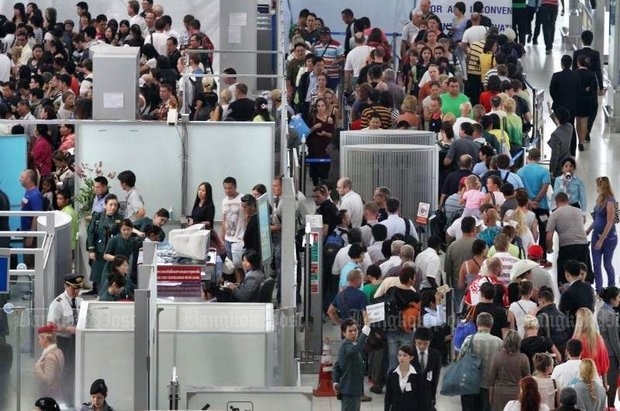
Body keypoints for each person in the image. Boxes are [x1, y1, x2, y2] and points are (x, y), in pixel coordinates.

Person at [47, 273, 85, 405]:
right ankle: (67, 398)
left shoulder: (81, 302)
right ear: (66, 286)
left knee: (78, 367)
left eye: (78, 288)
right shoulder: (57, 303)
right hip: (65, 342)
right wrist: (67, 329)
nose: (76, 291)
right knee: (66, 369)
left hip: (79, 341)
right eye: (74, 288)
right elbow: (50, 326)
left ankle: (78, 395)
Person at [459, 312, 503, 411]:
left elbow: (460, 360)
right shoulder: (499, 342)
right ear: (491, 325)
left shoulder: (469, 339)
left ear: (477, 324)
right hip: (489, 385)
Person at [546, 193, 591, 285]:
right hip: (583, 245)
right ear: (568, 200)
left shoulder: (555, 214)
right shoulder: (578, 211)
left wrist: (549, 249)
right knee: (583, 273)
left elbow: (549, 236)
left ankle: (566, 292)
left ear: (556, 202)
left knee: (566, 275)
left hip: (567, 247)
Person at [333, 312, 371, 410]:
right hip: (349, 391)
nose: (354, 333)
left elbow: (337, 366)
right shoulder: (346, 346)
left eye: (355, 330)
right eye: (350, 331)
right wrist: (366, 328)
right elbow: (356, 349)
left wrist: (335, 382)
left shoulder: (353, 344)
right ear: (344, 333)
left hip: (353, 390)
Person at [86, 194, 123, 294]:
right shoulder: (98, 216)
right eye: (111, 205)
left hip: (112, 251)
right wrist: (91, 249)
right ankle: (98, 292)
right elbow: (91, 232)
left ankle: (109, 293)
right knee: (98, 273)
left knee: (112, 274)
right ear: (105, 205)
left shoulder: (119, 218)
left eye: (115, 205)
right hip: (99, 249)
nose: (113, 207)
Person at [586, 176, 617, 291]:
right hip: (596, 235)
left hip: (608, 238)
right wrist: (588, 230)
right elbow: (597, 219)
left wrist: (601, 239)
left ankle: (611, 287)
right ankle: (599, 288)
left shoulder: (610, 201)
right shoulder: (599, 200)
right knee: (596, 264)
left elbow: (609, 222)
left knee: (607, 264)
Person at [488, 330, 531, 411]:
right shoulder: (523, 358)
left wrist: (491, 395)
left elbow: (491, 379)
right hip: (517, 394)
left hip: (500, 394)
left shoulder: (497, 357)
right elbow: (528, 379)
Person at [596, 286, 620, 408]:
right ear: (612, 299)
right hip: (611, 355)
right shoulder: (610, 315)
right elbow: (615, 340)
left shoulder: (601, 311)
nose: (619, 299)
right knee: (611, 388)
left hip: (603, 352)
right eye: (618, 297)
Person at [572, 308, 609, 382]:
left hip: (580, 378)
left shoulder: (575, 339)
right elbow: (604, 363)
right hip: (596, 378)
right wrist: (605, 383)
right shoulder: (598, 339)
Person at [411, 327, 441, 409]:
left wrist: (433, 396)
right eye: (419, 343)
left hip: (427, 393)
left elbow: (435, 377)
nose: (422, 346)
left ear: (430, 342)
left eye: (425, 344)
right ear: (415, 340)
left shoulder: (435, 355)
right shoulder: (408, 353)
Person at [559, 260, 595, 328]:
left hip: (574, 330)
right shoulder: (588, 287)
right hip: (589, 326)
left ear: (567, 274)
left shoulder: (567, 293)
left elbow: (563, 316)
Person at [20, 169, 44, 268]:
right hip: (26, 232)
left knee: (30, 263)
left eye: (22, 177)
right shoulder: (28, 193)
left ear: (29, 179)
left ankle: (34, 283)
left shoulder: (35, 195)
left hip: (31, 235)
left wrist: (31, 235)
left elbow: (37, 215)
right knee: (27, 261)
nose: (19, 179)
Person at [34, 324, 65, 400]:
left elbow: (48, 380)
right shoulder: (58, 351)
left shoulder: (49, 357)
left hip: (48, 395)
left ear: (45, 339)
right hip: (56, 392)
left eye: (39, 339)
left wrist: (37, 368)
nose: (39, 342)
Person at [384, 344, 418, 411]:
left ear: (411, 358)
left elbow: (419, 396)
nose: (401, 358)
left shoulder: (417, 375)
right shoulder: (392, 374)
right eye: (399, 355)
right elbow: (388, 395)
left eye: (405, 355)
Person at [221, 176, 245, 260]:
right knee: (230, 265)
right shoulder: (224, 201)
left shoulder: (242, 198)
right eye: (225, 188)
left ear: (235, 187)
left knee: (239, 264)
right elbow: (224, 220)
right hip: (228, 238)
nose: (228, 190)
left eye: (230, 188)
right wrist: (222, 237)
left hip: (239, 238)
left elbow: (248, 216)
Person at [240, 194, 260, 258]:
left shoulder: (256, 219)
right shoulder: (250, 217)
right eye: (242, 207)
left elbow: (256, 240)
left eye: (245, 207)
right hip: (249, 249)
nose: (244, 210)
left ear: (252, 206)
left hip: (254, 252)